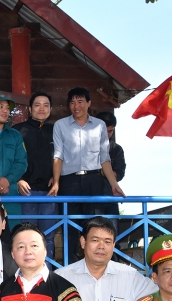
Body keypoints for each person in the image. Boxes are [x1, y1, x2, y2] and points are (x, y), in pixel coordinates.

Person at [51, 87, 125, 261]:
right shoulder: (60, 125)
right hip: (69, 181)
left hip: (94, 181)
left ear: (88, 103)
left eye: (80, 102)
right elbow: (58, 156)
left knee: (96, 227)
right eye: (72, 102)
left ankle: (98, 265)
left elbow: (105, 159)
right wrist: (56, 182)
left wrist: (114, 184)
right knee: (69, 228)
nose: (76, 106)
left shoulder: (99, 125)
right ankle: (70, 269)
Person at [15, 92, 57, 256]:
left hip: (49, 193)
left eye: (46, 105)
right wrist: (18, 180)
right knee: (27, 236)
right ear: (30, 108)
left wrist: (57, 177)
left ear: (51, 109)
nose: (42, 108)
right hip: (26, 193)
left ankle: (47, 274)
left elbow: (62, 157)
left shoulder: (56, 130)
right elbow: (13, 160)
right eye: (37, 105)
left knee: (48, 237)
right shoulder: (18, 131)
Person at [0, 93, 27, 199]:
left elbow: (21, 162)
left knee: (12, 216)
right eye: (0, 107)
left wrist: (7, 180)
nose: (5, 111)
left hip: (11, 191)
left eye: (7, 108)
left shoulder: (15, 135)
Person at [96, 111, 126, 221]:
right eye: (104, 131)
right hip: (88, 198)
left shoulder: (116, 149)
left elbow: (119, 174)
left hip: (109, 198)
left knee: (113, 235)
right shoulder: (85, 147)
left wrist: (102, 170)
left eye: (110, 131)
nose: (107, 134)